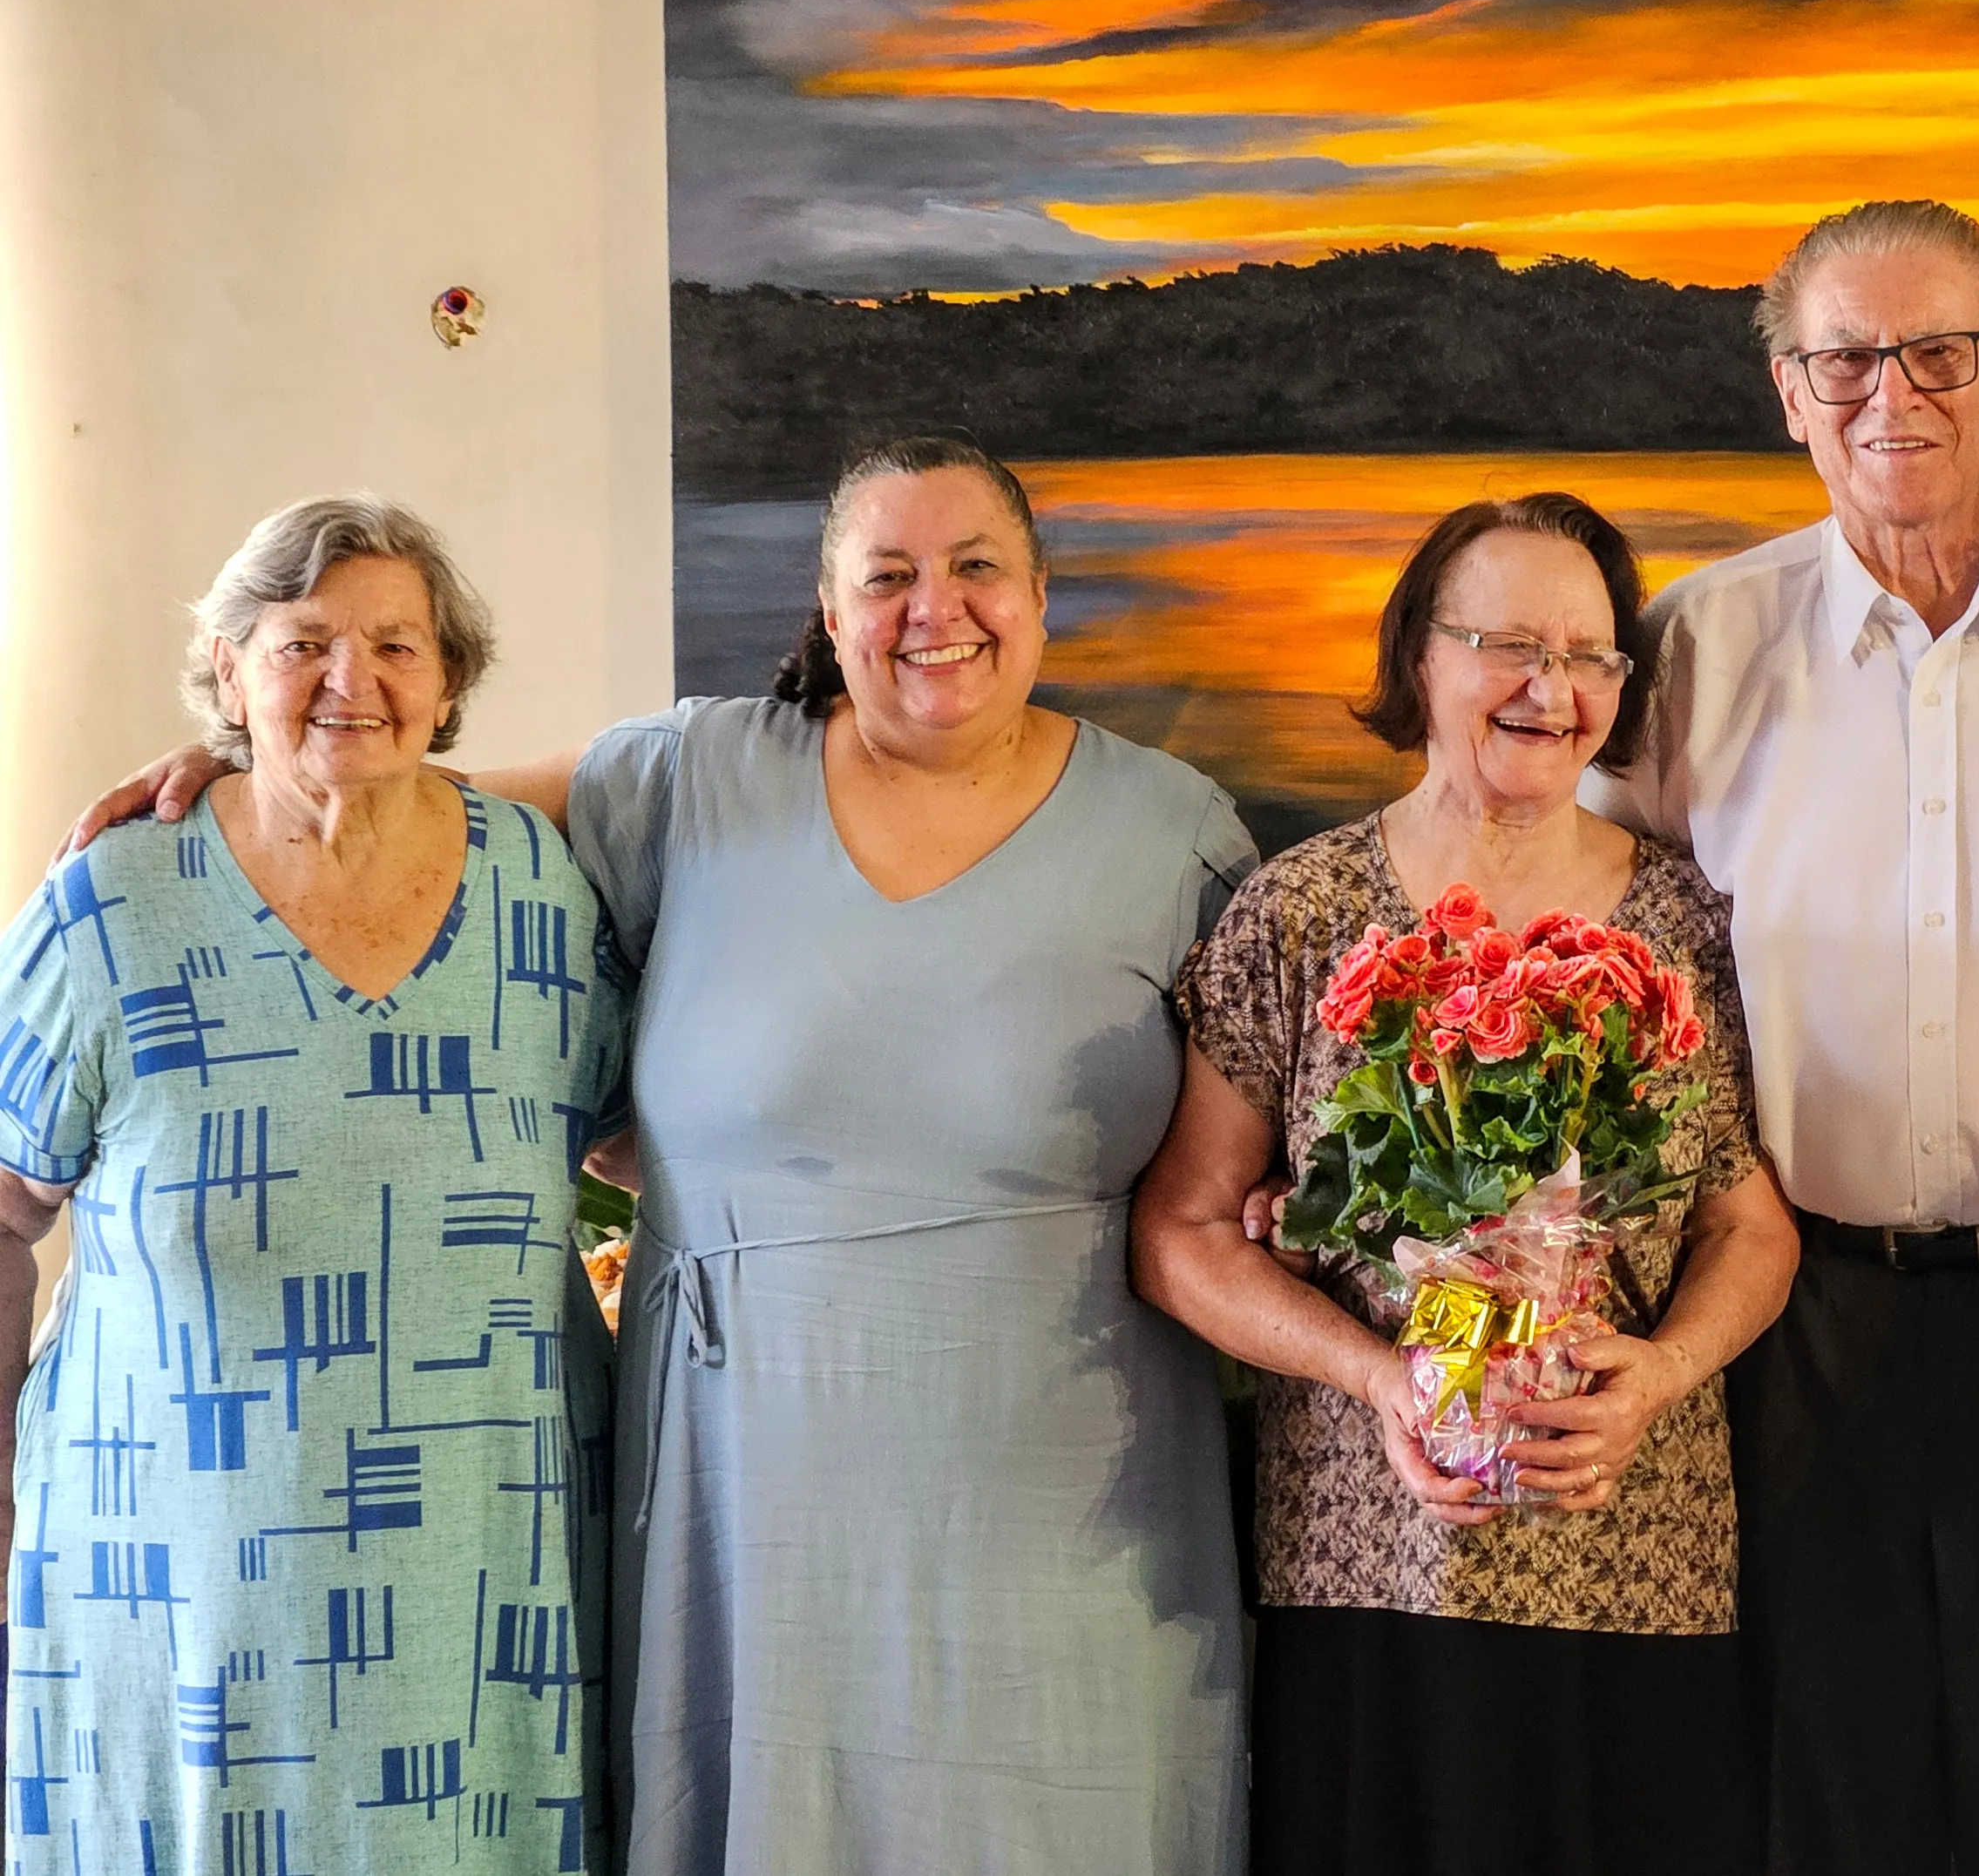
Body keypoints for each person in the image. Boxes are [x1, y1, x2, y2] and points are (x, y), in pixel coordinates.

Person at [74, 437, 1261, 1874]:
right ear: (830, 615)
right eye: (885, 576)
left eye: (973, 569)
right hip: (746, 1477)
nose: (931, 609)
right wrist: (247, 759)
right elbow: (422, 803)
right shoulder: (696, 775)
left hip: (1068, 1476)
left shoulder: (1178, 833)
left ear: (1041, 597)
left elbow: (1235, 1176)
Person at [1584, 200, 1979, 1876]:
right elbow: (1579, 954)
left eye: (1941, 350)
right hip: (1787, 1312)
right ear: (1790, 395)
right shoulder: (1691, 651)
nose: (1897, 392)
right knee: (1815, 1778)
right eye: (1845, 358)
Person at [1135, 491, 1799, 1876]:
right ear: (1420, 659)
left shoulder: (1683, 917)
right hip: (1367, 1559)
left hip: (1640, 1558)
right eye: (1506, 643)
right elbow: (1186, 1232)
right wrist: (1383, 1379)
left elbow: (1749, 1223)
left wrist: (1665, 1372)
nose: (1551, 689)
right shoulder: (1301, 911)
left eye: (1591, 656)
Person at [0, 497, 631, 1873]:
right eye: (304, 644)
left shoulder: (542, 897)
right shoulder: (114, 901)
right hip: (172, 1573)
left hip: (487, 1577)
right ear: (229, 673)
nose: (355, 681)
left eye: (398, 645)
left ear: (450, 680)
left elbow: (638, 1139)